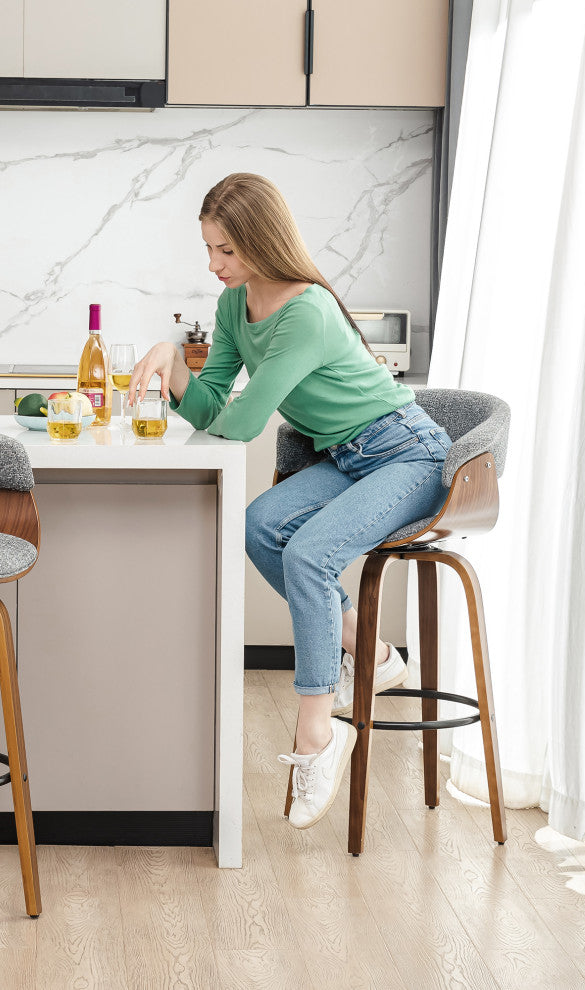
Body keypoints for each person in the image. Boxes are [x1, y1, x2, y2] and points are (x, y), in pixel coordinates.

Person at [128, 173, 452, 829]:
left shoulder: (306, 312)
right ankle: (373, 651)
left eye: (226, 251)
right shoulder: (233, 306)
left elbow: (243, 423)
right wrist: (173, 362)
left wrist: (186, 376)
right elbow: (213, 404)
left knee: (305, 554)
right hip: (348, 456)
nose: (214, 265)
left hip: (409, 454)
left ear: (261, 241)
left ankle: (318, 735)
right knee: (259, 526)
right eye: (209, 249)